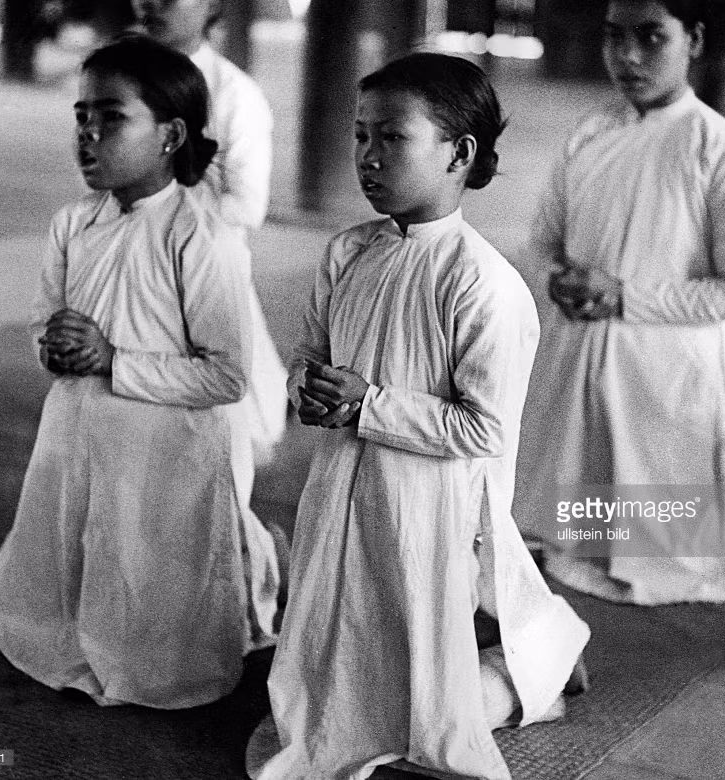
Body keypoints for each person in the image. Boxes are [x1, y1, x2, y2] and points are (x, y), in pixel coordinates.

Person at [245, 53, 591, 780]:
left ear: (459, 154)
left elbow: (484, 429)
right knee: (335, 639)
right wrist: (310, 386)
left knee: (428, 695)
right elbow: (312, 353)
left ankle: (542, 663)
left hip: (427, 508)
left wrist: (367, 404)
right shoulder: (348, 252)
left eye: (392, 138)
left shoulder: (484, 284)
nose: (368, 158)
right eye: (361, 137)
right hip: (341, 482)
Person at [0, 36, 279, 709]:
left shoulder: (199, 236)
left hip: (162, 453)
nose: (88, 136)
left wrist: (115, 361)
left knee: (147, 568)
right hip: (76, 431)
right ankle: (73, 631)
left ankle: (174, 636)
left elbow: (226, 376)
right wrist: (54, 346)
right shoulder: (72, 224)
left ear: (172, 134)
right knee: (75, 545)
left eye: (112, 118)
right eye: (81, 117)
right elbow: (44, 319)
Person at [513, 0, 725, 606]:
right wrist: (558, 278)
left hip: (666, 369)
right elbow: (541, 241)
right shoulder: (589, 134)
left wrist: (622, 296)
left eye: (650, 37)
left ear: (692, 39)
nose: (628, 57)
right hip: (576, 349)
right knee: (558, 516)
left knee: (656, 531)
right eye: (615, 37)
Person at [132, 0, 288, 466]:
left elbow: (247, 205)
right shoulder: (122, 79)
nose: (153, 4)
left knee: (209, 438)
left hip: (199, 273)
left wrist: (167, 203)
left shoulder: (235, 93)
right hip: (131, 264)